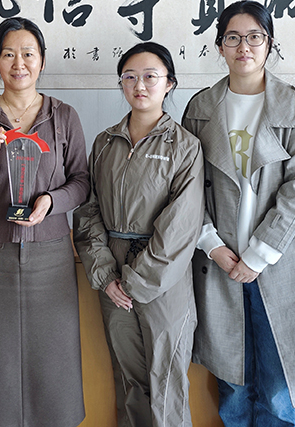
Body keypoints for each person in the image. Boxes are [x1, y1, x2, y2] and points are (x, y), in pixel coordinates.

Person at [182, 0, 295, 427]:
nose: (243, 46)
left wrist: (259, 254)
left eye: (254, 37)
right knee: (233, 385)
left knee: (279, 390)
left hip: (279, 262)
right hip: (221, 261)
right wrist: (212, 245)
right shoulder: (200, 107)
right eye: (233, 37)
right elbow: (186, 188)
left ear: (269, 43)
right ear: (219, 46)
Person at [0, 17, 90, 427]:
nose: (19, 63)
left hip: (51, 256)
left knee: (54, 361)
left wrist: (52, 200)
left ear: (42, 60)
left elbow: (82, 183)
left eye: (28, 53)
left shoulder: (63, 116)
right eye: (8, 54)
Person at [73, 42, 205, 427]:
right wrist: (106, 276)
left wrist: (134, 282)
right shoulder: (105, 142)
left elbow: (181, 225)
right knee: (129, 378)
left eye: (150, 76)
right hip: (112, 272)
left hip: (163, 276)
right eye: (129, 77)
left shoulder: (185, 146)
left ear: (169, 83)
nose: (139, 85)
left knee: (167, 380)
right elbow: (89, 210)